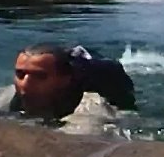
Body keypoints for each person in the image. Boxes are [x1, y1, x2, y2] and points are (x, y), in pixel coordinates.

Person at [8, 42, 137, 120]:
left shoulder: (92, 92)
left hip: (107, 75)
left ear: (64, 80)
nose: (25, 84)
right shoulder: (26, 89)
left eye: (40, 76)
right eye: (20, 74)